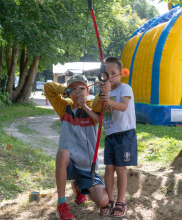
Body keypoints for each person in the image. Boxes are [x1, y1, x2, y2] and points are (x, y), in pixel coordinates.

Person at [44, 75, 109, 220]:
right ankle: (61, 205)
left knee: (103, 201)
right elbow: (48, 86)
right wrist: (66, 90)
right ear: (68, 93)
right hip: (69, 164)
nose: (79, 92)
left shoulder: (92, 106)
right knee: (62, 154)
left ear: (87, 91)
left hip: (88, 168)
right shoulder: (64, 108)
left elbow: (100, 102)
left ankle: (80, 188)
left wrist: (102, 91)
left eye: (82, 88)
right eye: (74, 89)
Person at [93, 56, 137, 217]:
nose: (110, 76)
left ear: (121, 73)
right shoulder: (104, 91)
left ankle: (121, 201)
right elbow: (101, 114)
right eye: (106, 73)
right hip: (110, 134)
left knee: (120, 168)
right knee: (109, 168)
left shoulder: (125, 88)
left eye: (113, 72)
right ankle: (109, 199)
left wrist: (108, 100)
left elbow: (124, 106)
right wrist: (100, 98)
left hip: (125, 134)